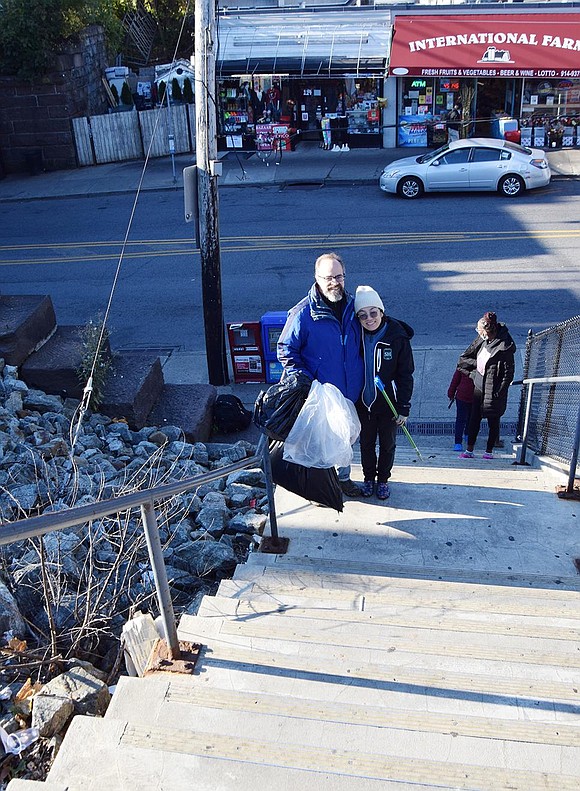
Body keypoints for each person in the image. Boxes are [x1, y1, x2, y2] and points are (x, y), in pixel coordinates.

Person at [277, 252, 364, 497]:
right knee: (320, 445)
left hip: (349, 392)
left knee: (345, 438)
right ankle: (320, 489)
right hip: (321, 394)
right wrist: (306, 381)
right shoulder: (302, 313)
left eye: (338, 276)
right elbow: (286, 350)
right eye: (328, 277)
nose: (334, 282)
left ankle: (343, 479)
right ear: (317, 278)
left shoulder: (353, 306)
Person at [354, 286, 414, 500]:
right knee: (366, 444)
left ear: (381, 311)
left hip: (388, 404)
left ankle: (383, 480)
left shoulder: (397, 337)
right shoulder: (355, 335)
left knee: (387, 444)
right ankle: (368, 478)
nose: (369, 319)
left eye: (373, 312)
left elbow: (405, 375)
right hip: (363, 404)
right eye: (362, 315)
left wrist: (403, 408)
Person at [457, 311, 516, 460]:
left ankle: (489, 451)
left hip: (493, 390)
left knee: (493, 421)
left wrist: (500, 391)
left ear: (486, 331)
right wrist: (474, 374)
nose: (478, 333)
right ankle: (469, 450)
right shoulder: (482, 341)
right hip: (479, 386)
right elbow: (465, 358)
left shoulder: (504, 347)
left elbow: (508, 373)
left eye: (479, 330)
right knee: (474, 419)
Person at [447, 367, 475, 451]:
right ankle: (467, 435)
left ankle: (458, 443)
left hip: (462, 396)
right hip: (476, 396)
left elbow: (455, 380)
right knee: (472, 418)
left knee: (460, 420)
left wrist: (451, 393)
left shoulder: (462, 364)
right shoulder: (482, 362)